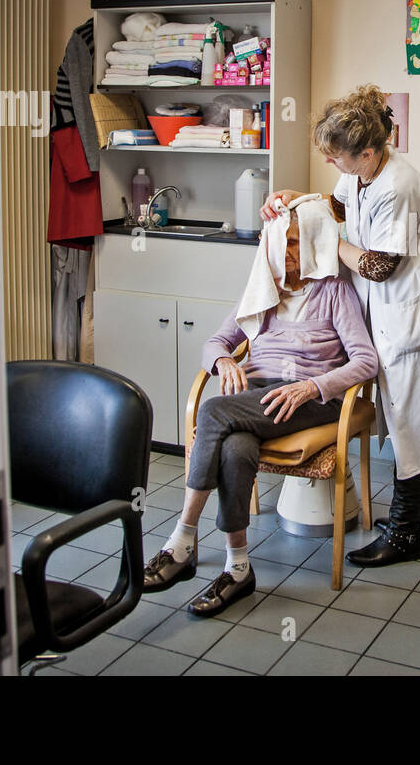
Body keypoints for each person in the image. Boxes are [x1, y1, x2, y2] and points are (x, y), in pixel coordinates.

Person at [262, 84, 420, 567]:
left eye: (338, 158)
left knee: (413, 422)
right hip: (390, 316)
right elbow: (338, 207)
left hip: (409, 320)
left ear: (369, 152)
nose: (333, 164)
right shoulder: (362, 175)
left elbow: (379, 265)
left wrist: (328, 240)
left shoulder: (398, 185)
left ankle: (404, 535)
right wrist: (300, 199)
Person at [142, 202, 377, 617]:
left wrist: (312, 386)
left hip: (310, 399)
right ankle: (239, 569)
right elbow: (214, 342)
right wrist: (224, 361)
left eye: (294, 241)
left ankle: (181, 541)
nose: (287, 251)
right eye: (280, 241)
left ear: (311, 243)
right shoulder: (260, 291)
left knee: (213, 412)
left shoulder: (334, 290)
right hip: (259, 399)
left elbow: (365, 361)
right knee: (235, 449)